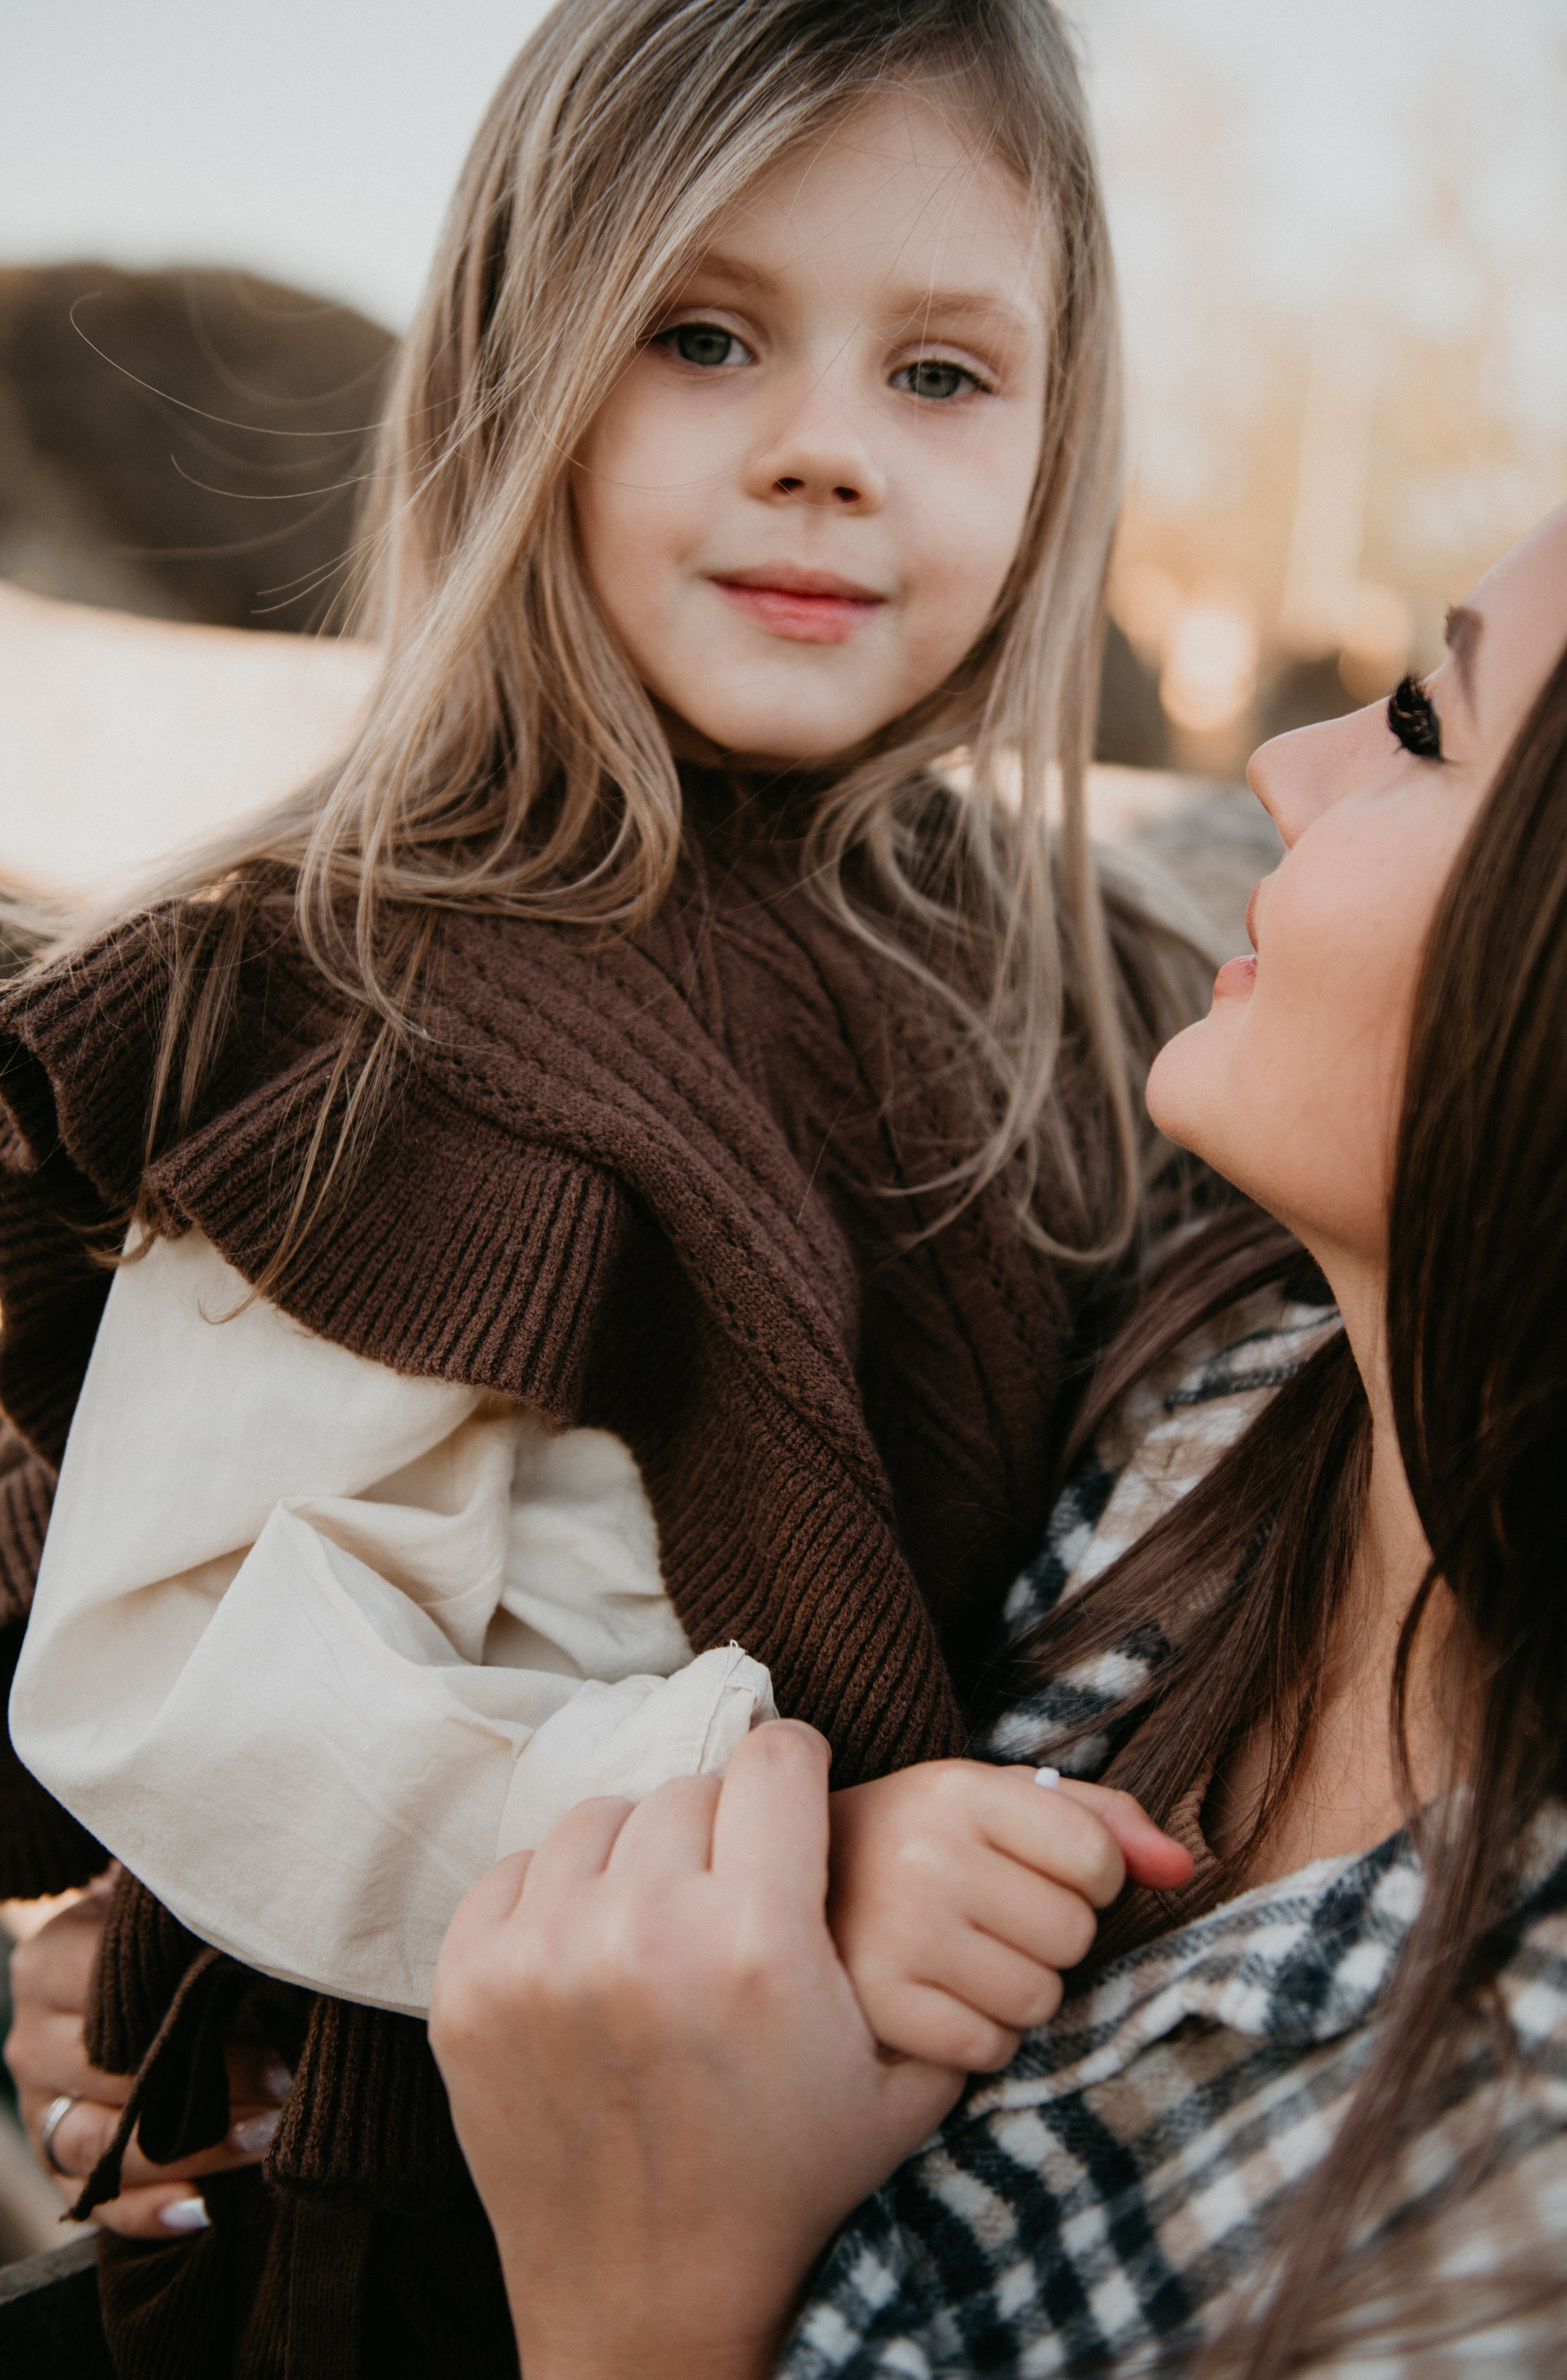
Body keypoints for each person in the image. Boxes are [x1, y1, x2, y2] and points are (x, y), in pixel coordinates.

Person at [0, 0, 1209, 2366]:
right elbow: (178, 1677)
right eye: (708, 334)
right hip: (433, 2239)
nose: (829, 456)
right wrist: (782, 1866)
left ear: (1061, 448)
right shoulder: (383, 997)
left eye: (943, 376)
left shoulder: (1084, 982)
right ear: (511, 375)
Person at [422, 485, 1567, 2376]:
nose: (1287, 768)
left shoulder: (1527, 2223)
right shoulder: (1205, 1372)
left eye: (1428, 728)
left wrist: (632, 2312)